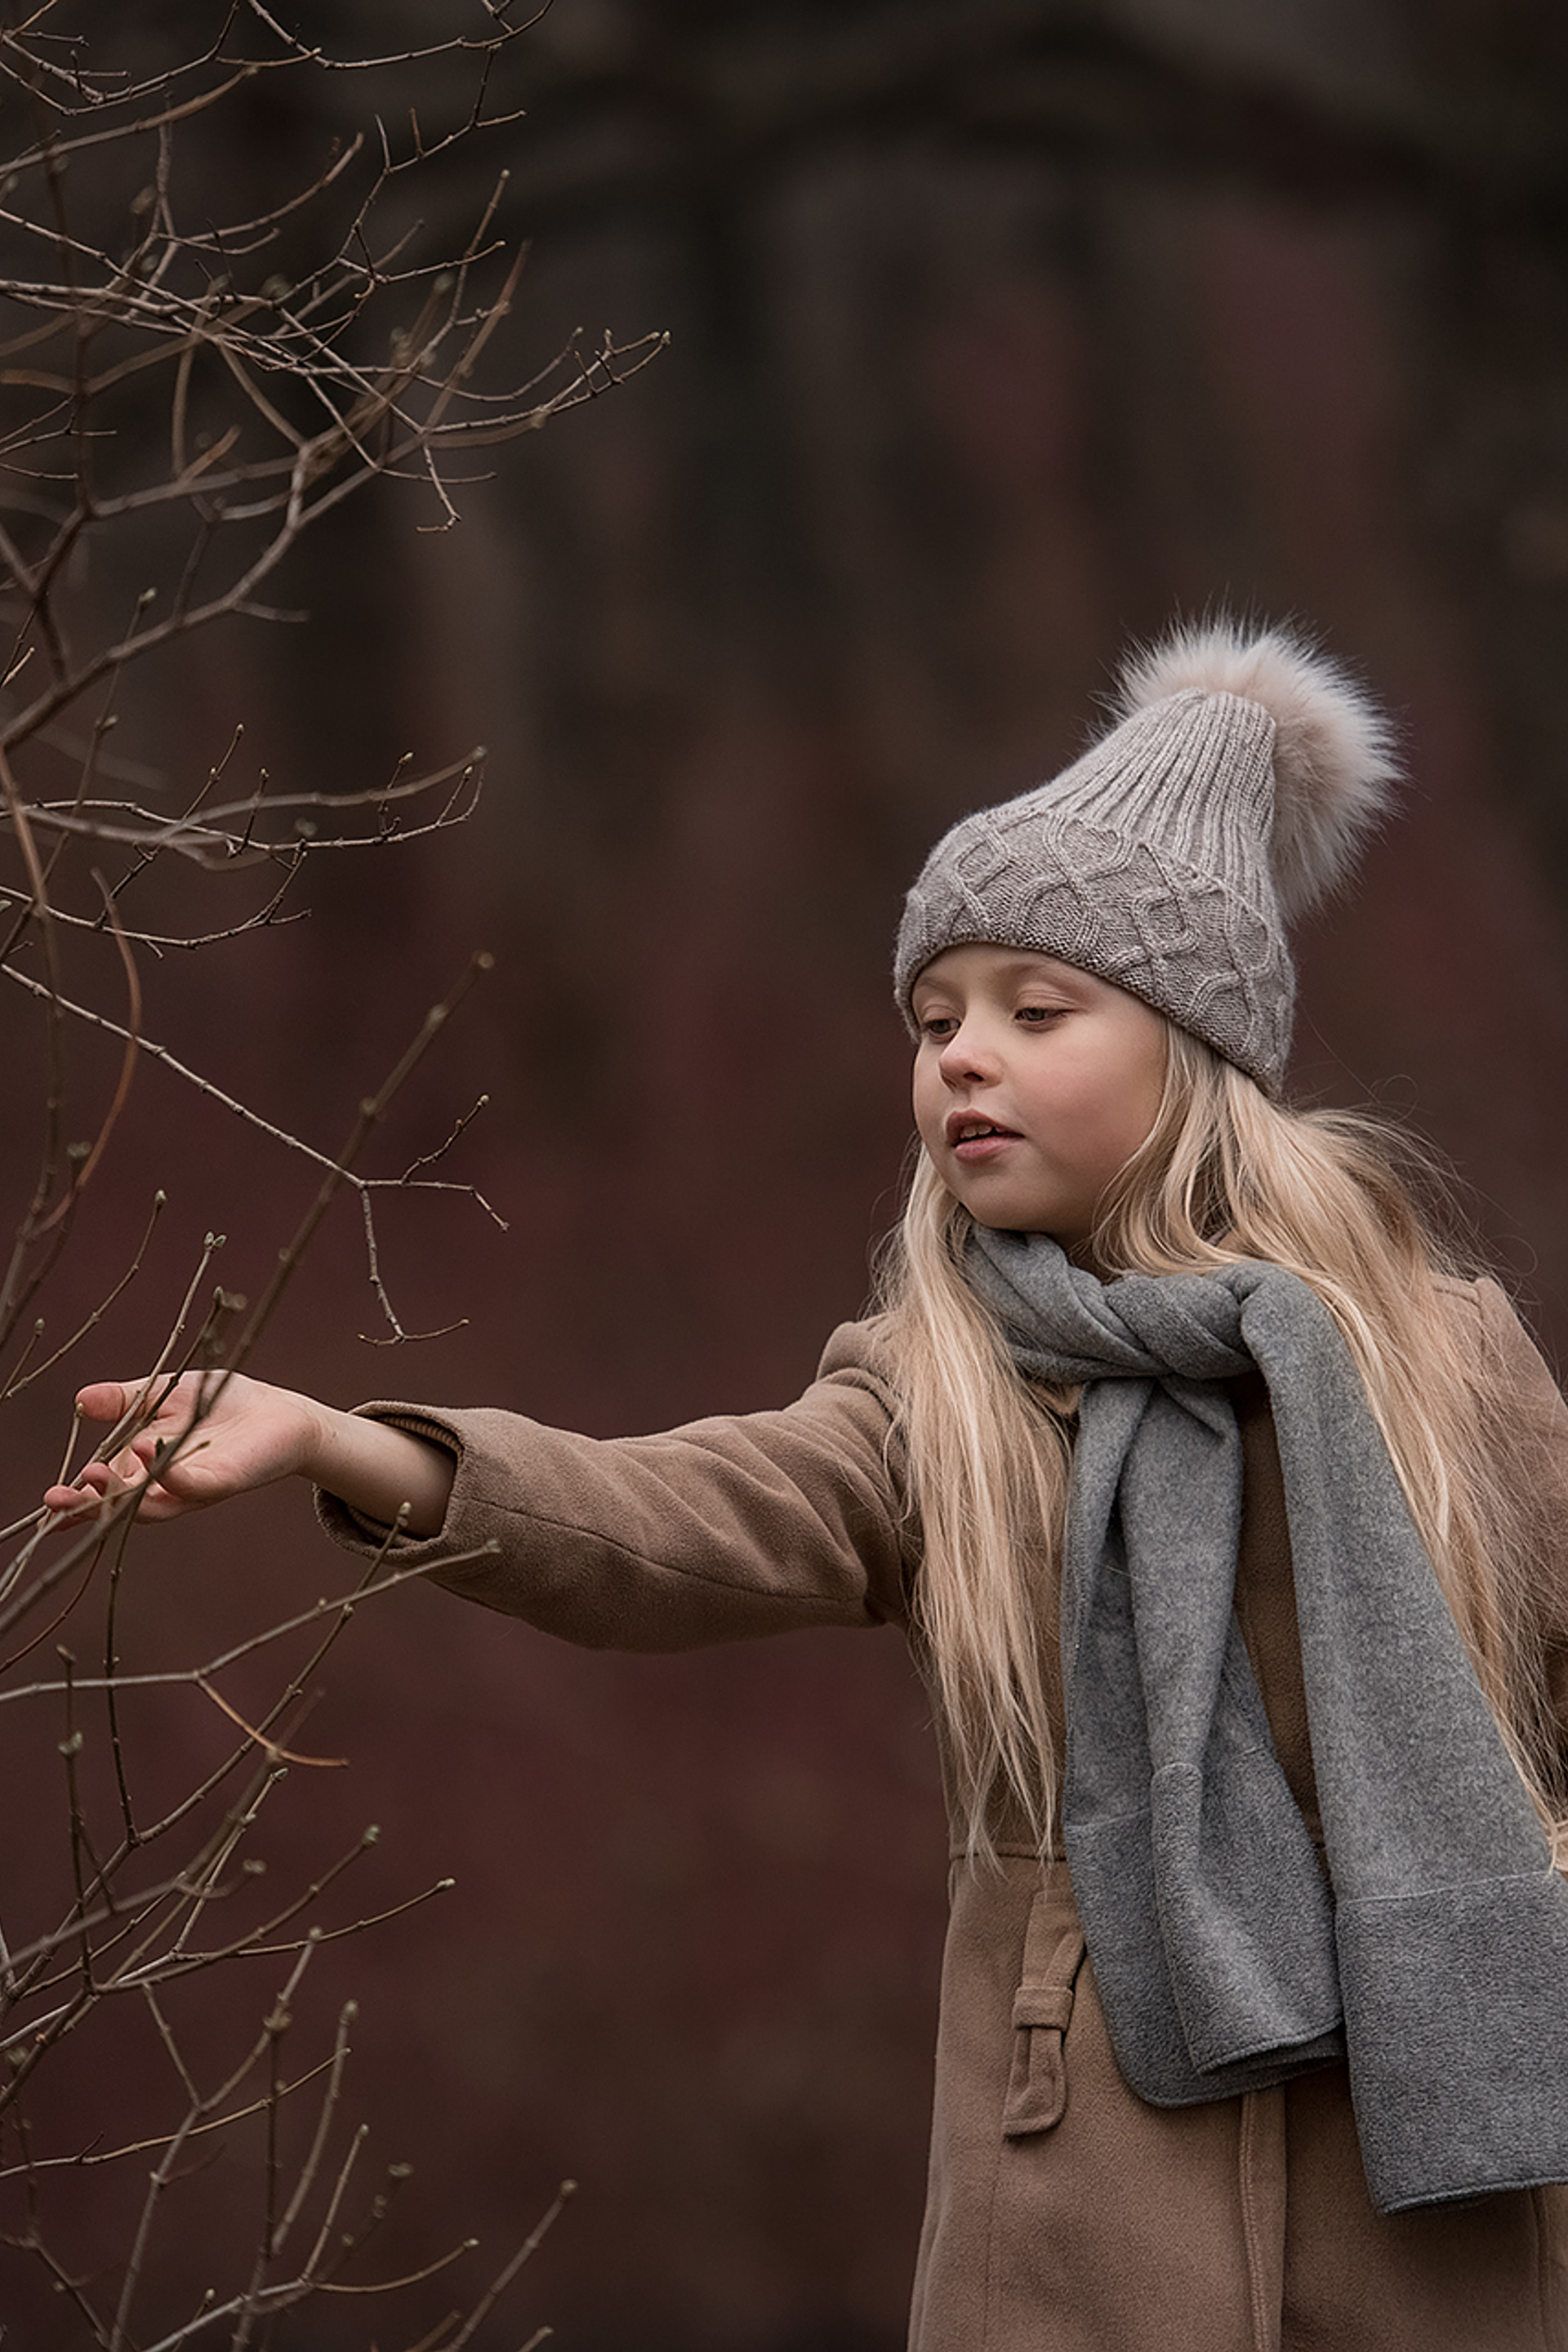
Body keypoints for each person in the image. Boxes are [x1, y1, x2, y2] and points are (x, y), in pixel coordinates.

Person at [48, 619, 1568, 2352]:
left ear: (1193, 1046)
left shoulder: (1441, 1367)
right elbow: (662, 1522)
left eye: (1032, 1010)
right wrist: (343, 1442)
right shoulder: (946, 1396)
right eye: (932, 1022)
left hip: (1441, 2192)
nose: (959, 1060)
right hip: (1077, 2214)